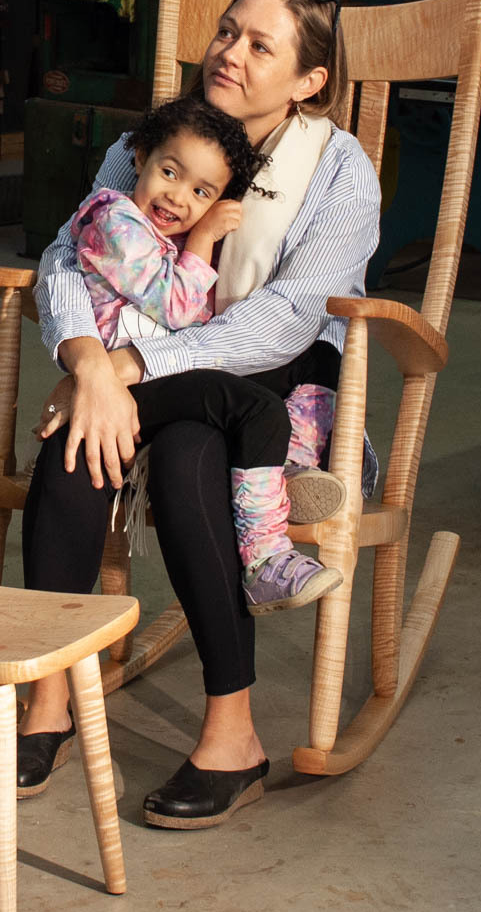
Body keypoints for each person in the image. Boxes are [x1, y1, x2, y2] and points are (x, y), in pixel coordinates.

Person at [15, 0, 381, 828]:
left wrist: (129, 364)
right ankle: (46, 697)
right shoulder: (158, 140)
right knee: (82, 438)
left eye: (262, 46)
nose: (231, 53)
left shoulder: (338, 169)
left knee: (184, 462)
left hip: (270, 375)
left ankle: (233, 736)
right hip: (147, 361)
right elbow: (69, 256)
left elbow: (291, 317)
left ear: (308, 82)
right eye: (226, 32)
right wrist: (86, 362)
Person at [67, 93, 344, 614]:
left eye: (201, 192)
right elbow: (175, 306)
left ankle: (291, 466)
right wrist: (205, 234)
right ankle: (265, 558)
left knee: (321, 349)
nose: (177, 197)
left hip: (163, 370)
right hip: (132, 383)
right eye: (169, 172)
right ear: (140, 157)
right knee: (257, 407)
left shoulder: (156, 236)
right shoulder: (113, 219)